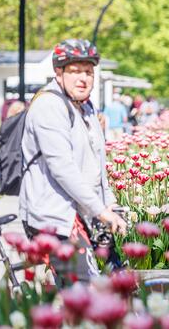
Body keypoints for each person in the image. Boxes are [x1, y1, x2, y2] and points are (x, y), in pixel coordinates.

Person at [20, 39, 127, 283]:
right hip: (53, 217)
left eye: (88, 72)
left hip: (83, 212)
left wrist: (108, 203)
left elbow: (96, 165)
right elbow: (63, 169)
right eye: (75, 71)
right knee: (85, 291)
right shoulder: (49, 105)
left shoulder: (85, 107)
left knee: (119, 278)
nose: (83, 78)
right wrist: (100, 210)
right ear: (59, 73)